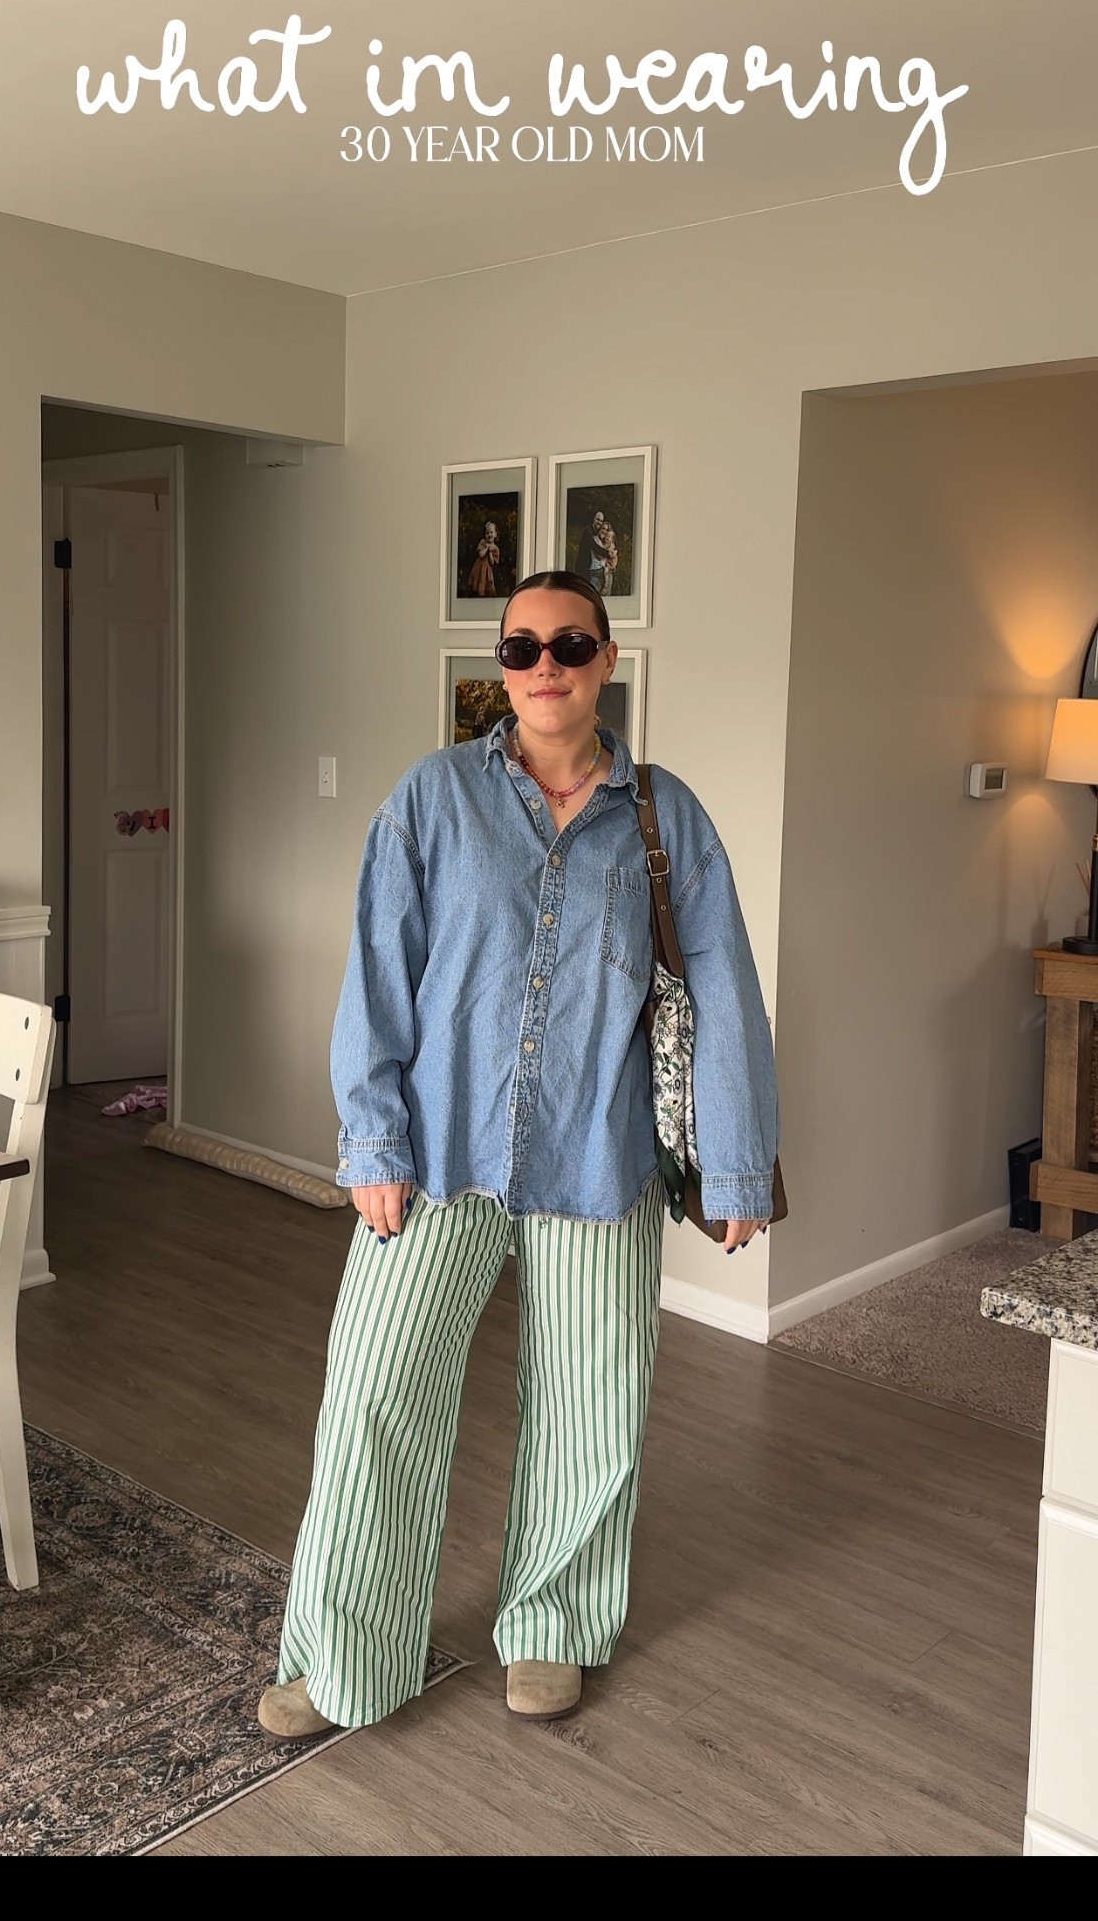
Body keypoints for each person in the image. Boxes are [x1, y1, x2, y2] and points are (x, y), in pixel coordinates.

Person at [258, 570, 778, 1740]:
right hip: (435, 1151)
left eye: (571, 644)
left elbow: (723, 988)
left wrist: (737, 1163)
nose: (547, 665)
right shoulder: (432, 796)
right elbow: (377, 976)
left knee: (592, 1405)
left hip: (599, 1150)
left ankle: (552, 1621)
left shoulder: (666, 816)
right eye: (523, 646)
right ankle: (345, 1650)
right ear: (501, 664)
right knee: (376, 1392)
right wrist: (371, 1138)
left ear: (606, 659)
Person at [466, 520, 502, 596]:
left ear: (495, 534)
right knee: (478, 582)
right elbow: (481, 555)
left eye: (491, 532)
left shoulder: (495, 548)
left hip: (487, 570)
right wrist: (486, 549)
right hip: (479, 568)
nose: (489, 535)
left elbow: (492, 562)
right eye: (487, 533)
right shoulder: (483, 542)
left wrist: (490, 552)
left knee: (486, 584)